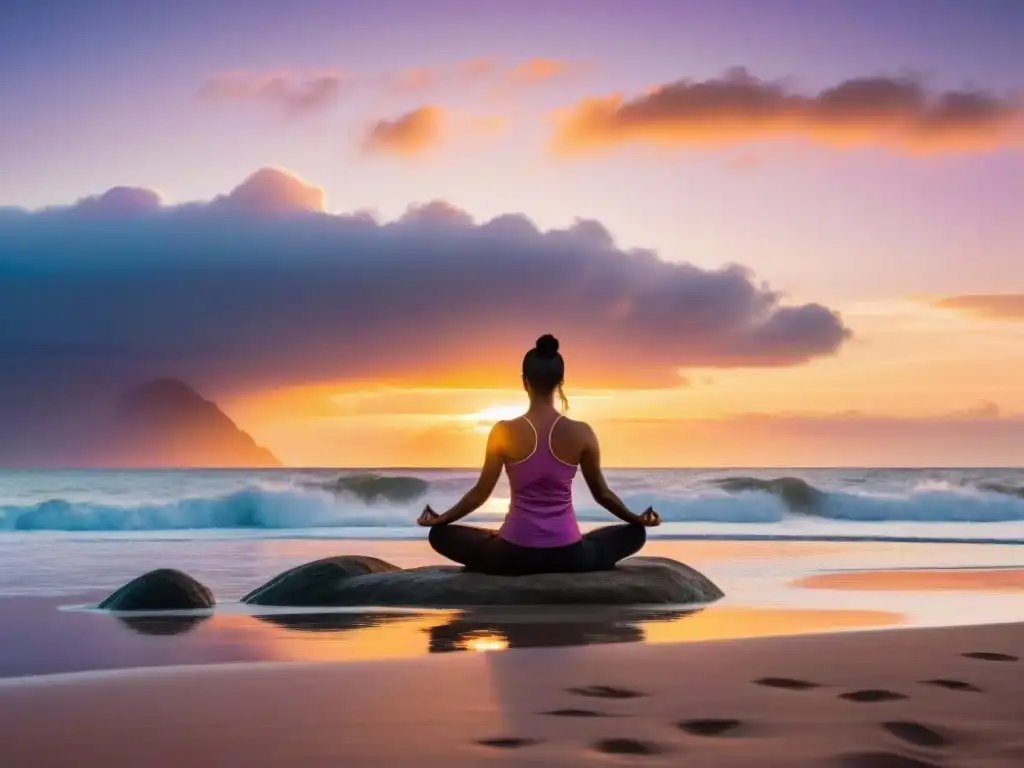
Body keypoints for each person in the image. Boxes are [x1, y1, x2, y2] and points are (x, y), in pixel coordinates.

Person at [417, 333, 660, 576]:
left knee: (440, 535)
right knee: (634, 534)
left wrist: (442, 519)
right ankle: (569, 541)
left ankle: (503, 541)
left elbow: (480, 494)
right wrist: (635, 518)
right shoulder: (582, 433)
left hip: (512, 555)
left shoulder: (503, 431)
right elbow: (603, 495)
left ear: (525, 381)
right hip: (570, 556)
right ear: (561, 381)